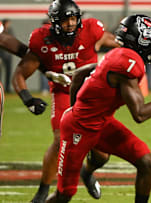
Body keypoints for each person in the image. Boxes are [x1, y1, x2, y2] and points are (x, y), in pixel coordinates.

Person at [45, 14, 151, 202]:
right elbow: (140, 114)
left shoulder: (118, 54)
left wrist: (75, 108)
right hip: (79, 128)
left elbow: (79, 74)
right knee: (64, 194)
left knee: (146, 162)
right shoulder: (126, 64)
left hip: (100, 122)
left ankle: (87, 173)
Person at [12, 0, 120, 202]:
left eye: (73, 18)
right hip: (63, 92)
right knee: (59, 139)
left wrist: (139, 50)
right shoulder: (42, 40)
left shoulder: (91, 31)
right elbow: (19, 74)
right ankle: (43, 191)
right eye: (65, 20)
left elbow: (114, 41)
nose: (70, 23)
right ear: (54, 22)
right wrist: (28, 99)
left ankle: (87, 172)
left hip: (91, 96)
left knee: (102, 153)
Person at [0, 19, 15, 92]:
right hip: (1, 54)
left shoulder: (10, 30)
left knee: (8, 72)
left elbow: (13, 40)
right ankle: (1, 88)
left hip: (8, 55)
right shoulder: (1, 30)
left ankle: (7, 88)